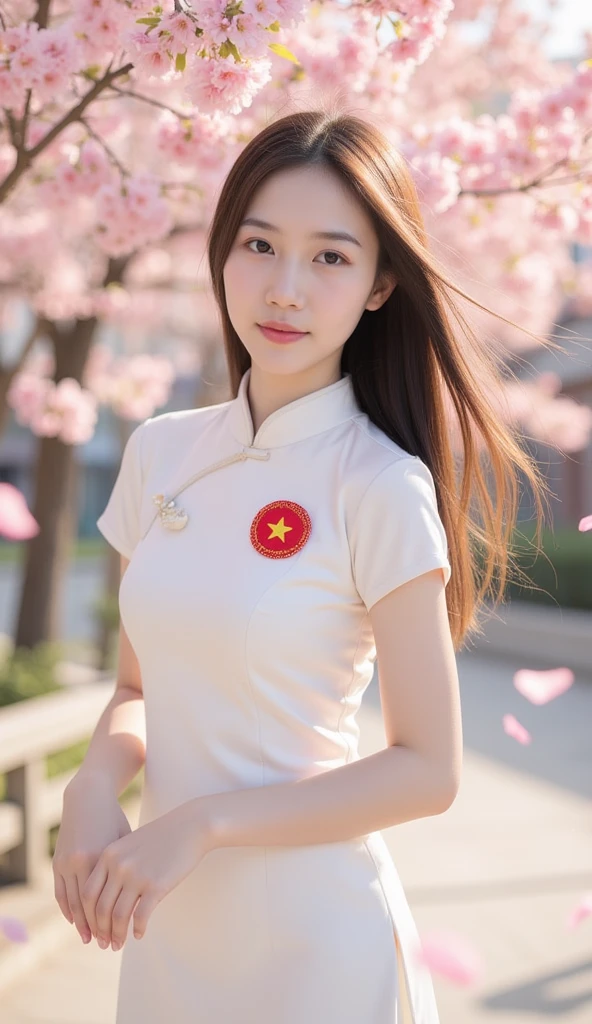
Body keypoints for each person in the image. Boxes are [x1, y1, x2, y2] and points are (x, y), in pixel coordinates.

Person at [53, 108, 552, 1024]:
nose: (285, 289)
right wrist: (92, 785)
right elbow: (137, 686)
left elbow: (428, 770)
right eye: (260, 245)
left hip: (316, 943)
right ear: (222, 253)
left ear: (378, 284)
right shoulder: (160, 453)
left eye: (329, 257)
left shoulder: (379, 484)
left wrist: (203, 825)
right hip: (163, 929)